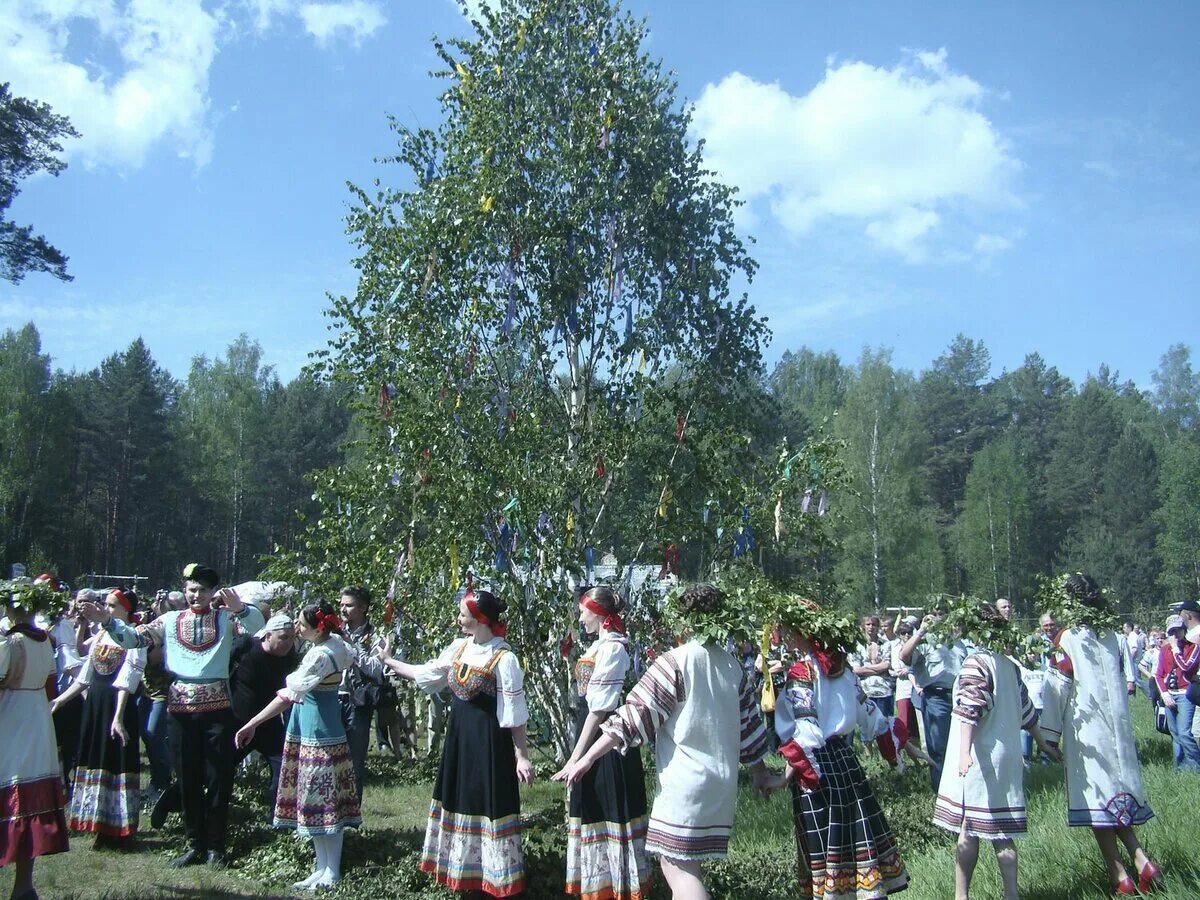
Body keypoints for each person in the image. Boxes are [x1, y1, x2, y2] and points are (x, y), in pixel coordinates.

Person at [565, 583, 773, 900]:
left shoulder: (675, 661)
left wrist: (588, 757)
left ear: (686, 620)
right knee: (690, 868)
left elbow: (632, 717)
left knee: (677, 869)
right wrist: (759, 772)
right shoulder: (732, 666)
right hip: (722, 785)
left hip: (684, 785)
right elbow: (751, 729)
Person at [77, 563, 265, 868]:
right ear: (185, 589)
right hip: (180, 711)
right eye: (191, 589)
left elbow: (259, 627)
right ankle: (194, 843)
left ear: (213, 592)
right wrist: (107, 623)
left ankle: (216, 845)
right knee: (187, 776)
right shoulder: (170, 620)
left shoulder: (225, 617)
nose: (196, 595)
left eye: (203, 590)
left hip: (217, 709)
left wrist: (241, 607)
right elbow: (135, 639)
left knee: (219, 777)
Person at [377, 587, 534, 897]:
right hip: (460, 745)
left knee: (487, 805)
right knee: (462, 802)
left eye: (463, 614)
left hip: (489, 746)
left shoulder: (504, 658)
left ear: (479, 618)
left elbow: (515, 714)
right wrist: (389, 660)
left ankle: (494, 882)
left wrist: (522, 755)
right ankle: (467, 878)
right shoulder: (459, 649)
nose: (459, 619)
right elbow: (427, 674)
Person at [762, 599, 909, 900]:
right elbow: (872, 715)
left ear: (803, 633)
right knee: (856, 838)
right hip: (846, 761)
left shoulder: (802, 674)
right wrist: (900, 751)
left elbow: (805, 734)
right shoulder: (843, 669)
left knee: (827, 848)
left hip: (818, 770)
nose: (785, 637)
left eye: (789, 631)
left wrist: (782, 778)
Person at [1040, 573, 1161, 895]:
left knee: (1097, 803)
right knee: (1114, 802)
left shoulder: (1068, 639)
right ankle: (1141, 862)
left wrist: (1048, 735)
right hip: (1118, 729)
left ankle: (1119, 875)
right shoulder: (1113, 635)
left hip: (1088, 732)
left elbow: (1057, 687)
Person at [932, 602, 1060, 900]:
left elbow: (969, 710)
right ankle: (1011, 894)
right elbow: (1027, 713)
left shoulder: (976, 663)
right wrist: (1043, 744)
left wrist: (964, 754)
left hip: (981, 755)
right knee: (1002, 831)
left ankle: (961, 896)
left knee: (970, 828)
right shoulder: (1008, 665)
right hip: (1007, 756)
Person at [236, 601, 360, 891]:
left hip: (320, 726)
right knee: (313, 796)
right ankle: (321, 866)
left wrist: (253, 722)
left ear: (318, 627)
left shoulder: (322, 653)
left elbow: (289, 694)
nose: (297, 628)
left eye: (302, 625)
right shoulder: (330, 645)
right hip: (310, 722)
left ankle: (332, 869)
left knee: (325, 796)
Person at [551, 586, 650, 900]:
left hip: (607, 741)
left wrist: (576, 757)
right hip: (590, 730)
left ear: (598, 612)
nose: (580, 618)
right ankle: (597, 888)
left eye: (583, 611)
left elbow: (600, 709)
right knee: (591, 809)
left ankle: (616, 888)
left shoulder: (613, 649)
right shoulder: (598, 647)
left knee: (608, 809)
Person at [50, 589, 145, 849]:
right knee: (95, 757)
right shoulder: (102, 634)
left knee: (116, 761)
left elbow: (129, 679)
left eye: (113, 606)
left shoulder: (135, 636)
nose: (108, 609)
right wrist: (61, 699)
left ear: (126, 610)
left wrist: (118, 717)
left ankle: (119, 830)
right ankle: (97, 823)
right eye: (107, 605)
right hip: (95, 704)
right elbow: (85, 676)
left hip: (118, 705)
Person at [1, 584, 71, 900]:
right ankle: (23, 887)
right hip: (37, 720)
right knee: (28, 800)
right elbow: (49, 683)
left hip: (11, 719)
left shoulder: (9, 643)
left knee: (10, 791)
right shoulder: (46, 641)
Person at [229, 613, 299, 809]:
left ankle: (277, 817)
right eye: (283, 637)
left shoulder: (289, 657)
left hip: (269, 723)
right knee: (217, 769)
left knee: (284, 768)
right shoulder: (246, 646)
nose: (288, 643)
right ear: (268, 636)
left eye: (292, 637)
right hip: (238, 723)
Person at [899, 604, 968, 789]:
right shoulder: (925, 640)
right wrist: (920, 631)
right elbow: (904, 656)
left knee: (963, 745)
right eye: (935, 614)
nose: (939, 617)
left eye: (942, 613)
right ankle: (941, 790)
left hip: (960, 697)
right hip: (936, 698)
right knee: (939, 746)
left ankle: (961, 788)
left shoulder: (958, 641)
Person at [337, 585, 388, 804]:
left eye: (348, 605)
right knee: (328, 756)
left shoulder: (376, 636)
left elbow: (378, 669)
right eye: (341, 605)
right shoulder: (333, 631)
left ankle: (351, 815)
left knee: (354, 759)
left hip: (358, 702)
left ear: (363, 608)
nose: (343, 610)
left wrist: (353, 648)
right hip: (331, 698)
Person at [49, 592, 90, 791]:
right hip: (25, 693)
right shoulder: (7, 623)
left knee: (61, 742)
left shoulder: (60, 625)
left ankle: (61, 782)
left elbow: (70, 661)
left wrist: (84, 692)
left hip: (58, 693)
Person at [1154, 614, 1200, 772]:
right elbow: (1158, 675)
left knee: (1184, 732)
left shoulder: (1193, 648)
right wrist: (1164, 693)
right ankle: (1179, 767)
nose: (1175, 635)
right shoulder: (1164, 650)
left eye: (1178, 631)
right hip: (1169, 695)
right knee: (1175, 734)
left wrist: (1175, 650)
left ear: (1184, 630)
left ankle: (1196, 764)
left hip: (1185, 694)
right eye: (1171, 632)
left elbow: (1186, 667)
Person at [850, 615, 895, 718]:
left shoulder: (885, 644)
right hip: (864, 691)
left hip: (884, 690)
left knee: (884, 723)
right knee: (866, 726)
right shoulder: (857, 645)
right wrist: (878, 669)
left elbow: (886, 665)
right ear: (863, 626)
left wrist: (865, 668)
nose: (871, 627)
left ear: (878, 627)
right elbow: (856, 670)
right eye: (868, 624)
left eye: (874, 624)